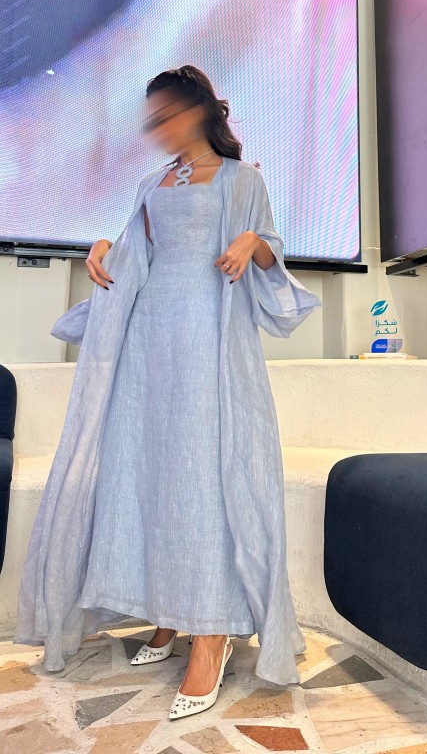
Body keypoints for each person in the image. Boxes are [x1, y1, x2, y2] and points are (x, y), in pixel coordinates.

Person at [14, 64, 322, 720]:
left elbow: (271, 259)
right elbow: (135, 255)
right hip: (149, 342)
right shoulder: (152, 184)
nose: (158, 129)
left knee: (205, 474)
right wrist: (105, 245)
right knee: (154, 473)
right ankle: (169, 610)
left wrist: (253, 241)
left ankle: (211, 631)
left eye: (167, 115)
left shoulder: (242, 179)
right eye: (152, 119)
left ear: (199, 111)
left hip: (210, 341)